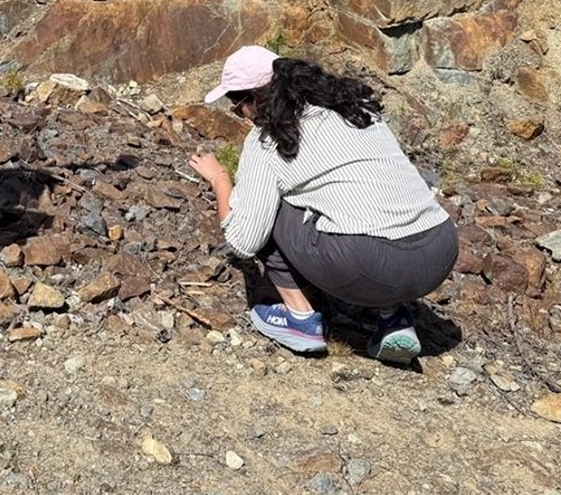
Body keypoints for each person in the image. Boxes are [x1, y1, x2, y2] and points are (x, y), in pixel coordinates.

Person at [189, 46, 457, 364]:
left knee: (270, 208)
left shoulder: (268, 140)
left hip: (371, 263)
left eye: (237, 104)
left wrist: (219, 178)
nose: (240, 114)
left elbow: (243, 241)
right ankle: (394, 317)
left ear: (254, 98)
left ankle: (300, 319)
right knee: (362, 201)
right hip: (440, 249)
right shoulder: (356, 109)